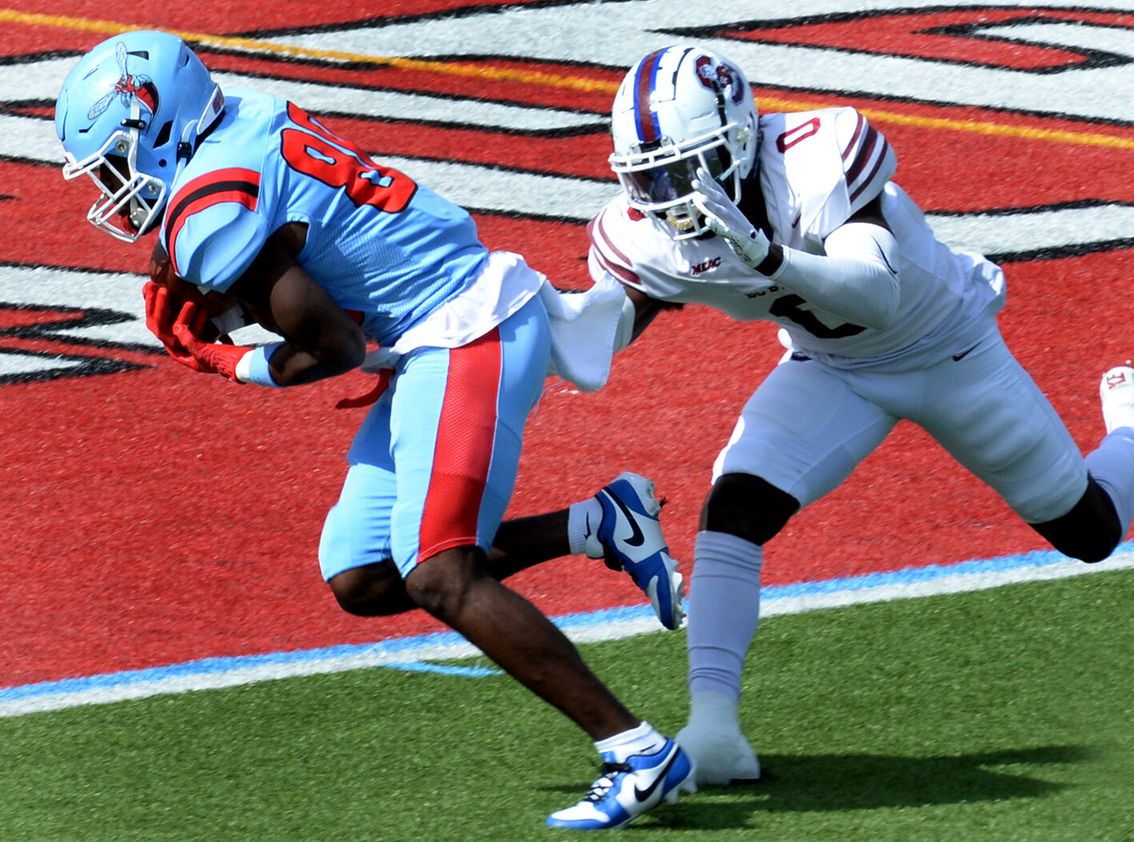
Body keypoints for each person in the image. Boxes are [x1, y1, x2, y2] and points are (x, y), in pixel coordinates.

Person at [54, 31, 694, 830]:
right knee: (362, 574)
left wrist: (224, 361)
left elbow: (333, 347)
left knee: (438, 573)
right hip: (443, 325)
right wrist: (223, 294)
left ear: (158, 125)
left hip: (467, 331)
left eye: (117, 162)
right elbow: (306, 243)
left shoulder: (205, 207)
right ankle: (602, 522)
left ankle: (637, 750)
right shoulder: (238, 119)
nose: (114, 189)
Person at [589, 44, 1134, 786]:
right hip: (832, 368)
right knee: (735, 506)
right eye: (650, 176)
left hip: (949, 352)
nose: (668, 195)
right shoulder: (643, 229)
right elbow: (599, 336)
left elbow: (875, 292)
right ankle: (714, 730)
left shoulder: (817, 156)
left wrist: (766, 255)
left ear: (742, 138)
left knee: (1090, 531)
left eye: (686, 169)